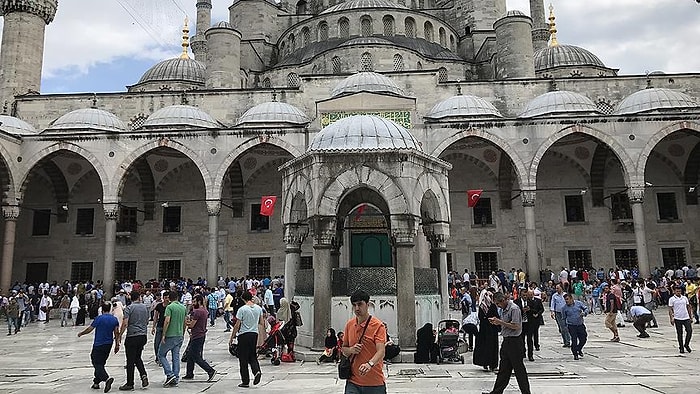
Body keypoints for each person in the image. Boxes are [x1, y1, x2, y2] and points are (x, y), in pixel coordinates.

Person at [481, 292, 531, 394]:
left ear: (503, 300)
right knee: (504, 369)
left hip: (515, 342)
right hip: (506, 341)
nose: (498, 306)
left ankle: (526, 392)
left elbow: (516, 326)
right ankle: (496, 392)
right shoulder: (504, 309)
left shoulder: (514, 309)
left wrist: (500, 322)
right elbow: (505, 325)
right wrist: (497, 323)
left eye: (498, 304)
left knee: (519, 369)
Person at [341, 289, 387, 394]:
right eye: (354, 305)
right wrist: (351, 350)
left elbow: (381, 351)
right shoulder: (349, 325)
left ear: (368, 304)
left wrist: (369, 364)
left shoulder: (378, 326)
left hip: (374, 383)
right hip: (353, 382)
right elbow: (344, 349)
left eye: (360, 304)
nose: (357, 308)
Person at [77, 302, 120, 392]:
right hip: (108, 344)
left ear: (102, 309)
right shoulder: (114, 319)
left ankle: (106, 379)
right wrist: (117, 345)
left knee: (96, 363)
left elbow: (90, 329)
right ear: (109, 309)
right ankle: (96, 382)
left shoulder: (99, 319)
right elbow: (116, 333)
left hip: (99, 344)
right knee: (101, 363)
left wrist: (81, 333)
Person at [229, 289, 264, 388]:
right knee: (252, 355)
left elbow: (237, 325)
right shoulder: (258, 308)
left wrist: (232, 338)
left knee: (243, 358)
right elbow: (261, 322)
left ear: (243, 298)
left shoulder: (242, 309)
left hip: (244, 335)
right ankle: (256, 371)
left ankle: (245, 381)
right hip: (254, 334)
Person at [118, 291, 150, 390]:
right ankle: (143, 374)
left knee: (130, 360)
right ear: (139, 297)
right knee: (137, 357)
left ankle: (130, 383)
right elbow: (147, 321)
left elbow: (125, 323)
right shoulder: (145, 307)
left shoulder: (129, 308)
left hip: (132, 336)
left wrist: (119, 335)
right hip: (143, 335)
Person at [182, 294, 216, 382]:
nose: (193, 303)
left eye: (194, 301)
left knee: (196, 356)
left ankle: (210, 370)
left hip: (197, 335)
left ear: (199, 301)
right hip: (201, 335)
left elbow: (192, 325)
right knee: (190, 355)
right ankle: (189, 373)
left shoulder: (197, 311)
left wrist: (185, 322)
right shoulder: (205, 310)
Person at [158, 290, 187, 387]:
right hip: (179, 334)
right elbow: (184, 322)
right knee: (176, 356)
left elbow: (167, 321)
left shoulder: (169, 307)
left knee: (161, 354)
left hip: (170, 335)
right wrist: (182, 333)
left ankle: (169, 374)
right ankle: (176, 376)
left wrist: (163, 334)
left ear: (169, 298)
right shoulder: (183, 307)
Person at [474, 288, 499, 372]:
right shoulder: (484, 306)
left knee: (491, 347)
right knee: (487, 347)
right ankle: (488, 363)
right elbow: (481, 317)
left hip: (489, 330)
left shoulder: (489, 306)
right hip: (487, 330)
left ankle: (491, 364)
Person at [560, 293, 588, 360]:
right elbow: (563, 318)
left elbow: (586, 308)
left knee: (583, 338)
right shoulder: (564, 308)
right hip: (571, 326)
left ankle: (579, 348)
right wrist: (565, 326)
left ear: (571, 298)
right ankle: (575, 354)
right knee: (574, 339)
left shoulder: (578, 303)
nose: (566, 301)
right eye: (565, 300)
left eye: (567, 299)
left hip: (580, 324)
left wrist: (584, 313)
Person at [669, 286, 693, 353]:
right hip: (677, 318)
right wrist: (671, 318)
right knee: (680, 333)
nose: (678, 292)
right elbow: (670, 309)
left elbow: (688, 307)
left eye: (679, 291)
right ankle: (681, 347)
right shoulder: (672, 299)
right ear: (674, 291)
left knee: (689, 331)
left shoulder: (684, 298)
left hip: (686, 317)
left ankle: (686, 344)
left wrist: (690, 316)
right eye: (677, 291)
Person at [152, 292, 169, 366]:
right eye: (165, 297)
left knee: (165, 344)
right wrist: (153, 326)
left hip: (168, 327)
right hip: (159, 326)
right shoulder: (159, 306)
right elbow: (155, 317)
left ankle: (162, 358)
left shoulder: (170, 306)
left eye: (168, 297)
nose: (167, 299)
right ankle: (158, 357)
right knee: (157, 343)